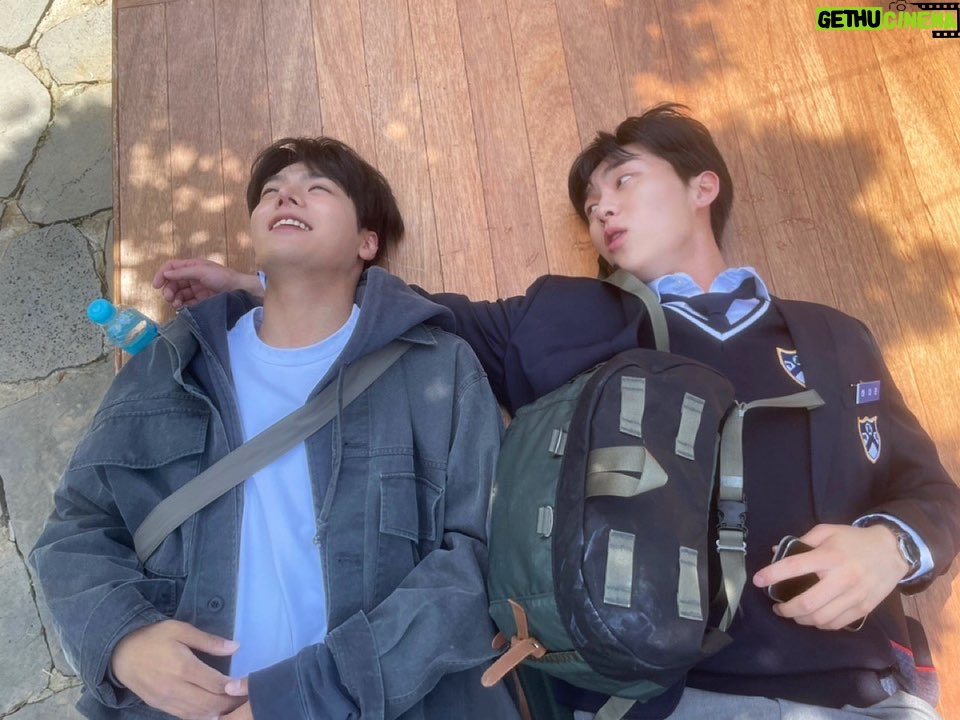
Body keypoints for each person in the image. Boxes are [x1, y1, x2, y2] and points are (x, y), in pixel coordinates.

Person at [152, 104, 960, 719]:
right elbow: (415, 314)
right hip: (649, 700)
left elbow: (930, 489)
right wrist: (262, 285)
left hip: (860, 691)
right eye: (589, 202)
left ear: (701, 185)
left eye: (622, 182)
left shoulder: (832, 336)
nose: (600, 209)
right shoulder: (563, 315)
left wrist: (890, 547)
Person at [31, 137, 520, 720]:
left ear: (367, 242)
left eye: (318, 188)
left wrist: (311, 693)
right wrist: (123, 639)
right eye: (270, 192)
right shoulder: (173, 362)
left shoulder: (437, 367)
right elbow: (77, 526)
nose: (286, 195)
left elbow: (480, 558)